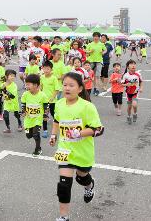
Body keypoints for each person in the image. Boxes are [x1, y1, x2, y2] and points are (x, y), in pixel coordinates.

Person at [49, 72, 104, 221]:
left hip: (83, 152)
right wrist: (54, 135)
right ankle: (63, 217)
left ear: (80, 88)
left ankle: (89, 186)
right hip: (65, 149)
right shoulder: (59, 103)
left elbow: (99, 129)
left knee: (82, 177)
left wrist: (80, 133)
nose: (67, 88)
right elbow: (56, 121)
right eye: (65, 85)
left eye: (71, 85)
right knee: (64, 185)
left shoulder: (87, 107)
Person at [21, 74, 49, 156]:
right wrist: (23, 111)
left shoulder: (42, 95)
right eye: (26, 84)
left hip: (38, 118)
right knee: (28, 135)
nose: (27, 86)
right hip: (28, 119)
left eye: (28, 84)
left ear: (36, 85)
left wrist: (45, 115)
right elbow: (23, 104)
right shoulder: (25, 94)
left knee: (36, 134)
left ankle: (38, 149)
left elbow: (46, 106)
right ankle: (30, 134)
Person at [40, 60, 60, 138]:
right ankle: (45, 130)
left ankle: (58, 124)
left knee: (53, 114)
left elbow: (57, 89)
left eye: (48, 69)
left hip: (52, 101)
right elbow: (40, 88)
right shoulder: (41, 77)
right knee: (44, 115)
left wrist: (52, 97)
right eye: (44, 68)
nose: (46, 70)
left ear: (51, 69)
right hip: (44, 100)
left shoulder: (54, 78)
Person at [121, 60, 143, 124]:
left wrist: (141, 88)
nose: (133, 65)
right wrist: (126, 84)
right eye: (131, 64)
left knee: (134, 104)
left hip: (135, 92)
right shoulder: (125, 75)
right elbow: (122, 84)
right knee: (129, 107)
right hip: (128, 93)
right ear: (128, 67)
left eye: (134, 64)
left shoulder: (138, 74)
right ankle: (128, 116)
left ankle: (135, 113)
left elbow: (141, 81)